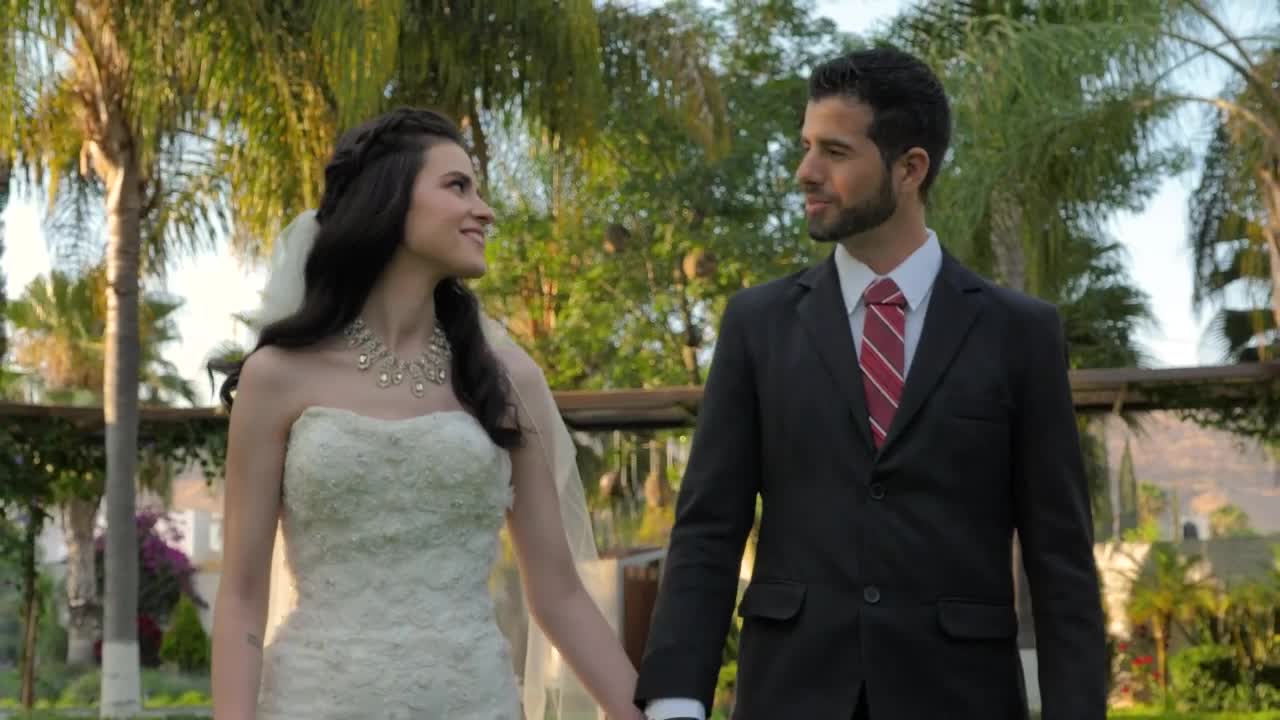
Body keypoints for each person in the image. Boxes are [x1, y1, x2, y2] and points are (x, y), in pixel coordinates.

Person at [634, 47, 1106, 720]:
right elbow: (709, 528)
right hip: (789, 696)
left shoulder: (1020, 333)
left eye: (835, 151)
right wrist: (677, 699)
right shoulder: (756, 324)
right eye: (805, 147)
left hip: (961, 699)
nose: (806, 172)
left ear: (910, 168)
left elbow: (1060, 559)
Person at [209, 107, 644, 720]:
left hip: (474, 702)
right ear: (389, 200)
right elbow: (242, 597)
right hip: (314, 701)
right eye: (457, 186)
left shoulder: (503, 378)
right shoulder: (276, 376)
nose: (484, 210)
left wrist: (643, 714)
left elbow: (561, 594)